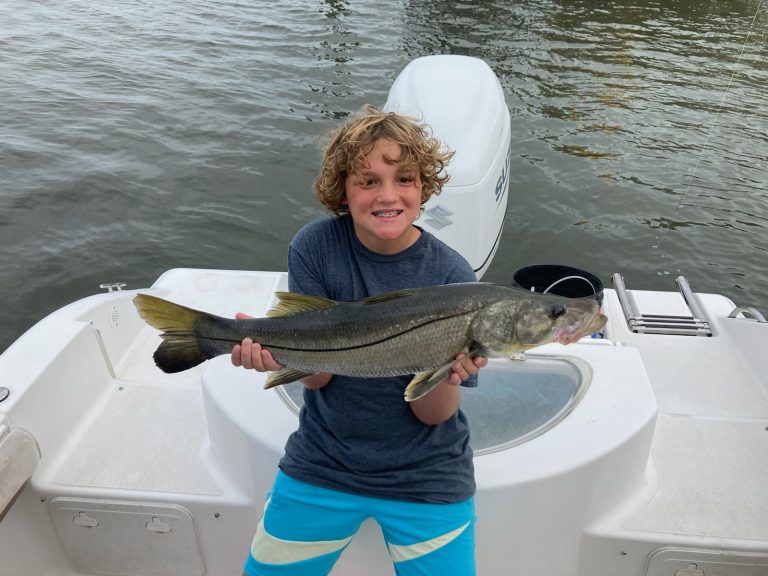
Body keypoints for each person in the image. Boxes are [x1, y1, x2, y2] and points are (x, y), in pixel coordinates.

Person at [231, 105, 487, 576]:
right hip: (324, 462)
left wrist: (450, 374)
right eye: (368, 181)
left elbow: (431, 413)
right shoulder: (314, 247)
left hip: (427, 475)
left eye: (404, 178)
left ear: (423, 187)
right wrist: (277, 354)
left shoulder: (453, 276)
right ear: (342, 192)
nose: (387, 195)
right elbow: (321, 376)